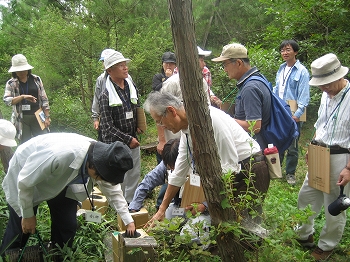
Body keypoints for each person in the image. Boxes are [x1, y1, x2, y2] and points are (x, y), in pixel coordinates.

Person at [143, 91, 270, 227]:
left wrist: (206, 204)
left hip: (249, 170)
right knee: (227, 228)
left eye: (160, 122)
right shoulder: (186, 129)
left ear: (171, 111)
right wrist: (162, 209)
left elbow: (229, 169)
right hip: (232, 174)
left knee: (244, 227)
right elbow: (179, 172)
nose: (163, 127)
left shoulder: (209, 120)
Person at [0, 132, 136, 255]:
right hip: (27, 173)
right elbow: (25, 182)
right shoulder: (60, 154)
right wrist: (28, 215)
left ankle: (58, 255)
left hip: (63, 181)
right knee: (21, 227)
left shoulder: (103, 159)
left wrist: (128, 221)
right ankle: (8, 256)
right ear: (93, 166)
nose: (100, 181)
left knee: (67, 224)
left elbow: (113, 192)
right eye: (100, 177)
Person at [296, 53, 350, 261]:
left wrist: (349, 168)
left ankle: (327, 245)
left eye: (326, 83)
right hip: (320, 152)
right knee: (307, 194)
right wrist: (312, 146)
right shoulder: (326, 96)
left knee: (334, 204)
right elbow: (321, 125)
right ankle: (304, 232)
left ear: (339, 76)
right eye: (320, 85)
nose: (323, 88)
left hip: (341, 157)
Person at [99, 50, 141, 203]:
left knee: (134, 171)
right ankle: (119, 203)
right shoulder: (105, 95)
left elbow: (137, 106)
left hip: (132, 138)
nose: (125, 68)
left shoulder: (131, 86)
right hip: (116, 143)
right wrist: (127, 139)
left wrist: (139, 125)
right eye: (120, 65)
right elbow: (107, 126)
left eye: (125, 65)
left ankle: (132, 201)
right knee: (119, 174)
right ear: (110, 71)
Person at [212, 43, 271, 150]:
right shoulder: (257, 78)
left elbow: (255, 126)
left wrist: (225, 119)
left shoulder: (250, 88)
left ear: (239, 63)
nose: (225, 69)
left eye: (225, 64)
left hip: (256, 150)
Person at [274, 40, 310, 185]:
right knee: (279, 141)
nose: (285, 53)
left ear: (295, 52)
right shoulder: (281, 69)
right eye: (282, 50)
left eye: (288, 50)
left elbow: (304, 96)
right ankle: (277, 171)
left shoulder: (302, 71)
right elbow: (276, 89)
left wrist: (297, 113)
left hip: (294, 109)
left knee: (293, 145)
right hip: (281, 109)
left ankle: (290, 173)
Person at [3, 54, 50, 144]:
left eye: (24, 69)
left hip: (38, 115)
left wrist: (47, 117)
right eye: (19, 70)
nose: (22, 72)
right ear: (15, 71)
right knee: (25, 144)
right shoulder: (11, 83)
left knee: (44, 141)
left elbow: (44, 99)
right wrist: (23, 97)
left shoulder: (36, 79)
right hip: (21, 117)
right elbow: (7, 100)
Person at [129, 138, 180, 212]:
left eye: (174, 166)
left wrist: (203, 205)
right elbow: (147, 182)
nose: (172, 169)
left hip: (197, 206)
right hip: (177, 205)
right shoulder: (165, 166)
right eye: (170, 167)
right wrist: (134, 207)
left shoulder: (196, 166)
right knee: (169, 217)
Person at [91, 48, 115, 139]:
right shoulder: (101, 79)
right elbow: (96, 100)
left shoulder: (127, 78)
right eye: (103, 61)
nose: (104, 63)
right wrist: (96, 119)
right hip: (105, 119)